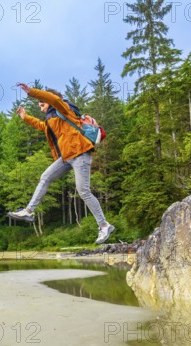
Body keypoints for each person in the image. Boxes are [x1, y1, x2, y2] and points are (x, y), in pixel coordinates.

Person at [8, 83, 115, 245]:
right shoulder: (52, 118)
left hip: (80, 153)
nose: (40, 105)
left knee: (83, 191)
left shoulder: (63, 108)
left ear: (50, 100)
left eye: (42, 102)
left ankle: (104, 225)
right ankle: (28, 211)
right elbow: (43, 127)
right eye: (39, 103)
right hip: (66, 157)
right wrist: (26, 117)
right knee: (45, 177)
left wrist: (32, 92)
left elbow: (53, 98)